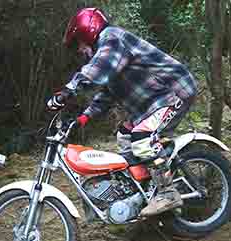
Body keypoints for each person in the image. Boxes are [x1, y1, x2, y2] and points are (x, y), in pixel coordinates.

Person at [46, 7, 198, 216]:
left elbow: (97, 69)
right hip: (154, 101)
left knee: (143, 138)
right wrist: (84, 117)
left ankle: (167, 192)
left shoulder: (112, 39)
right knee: (125, 136)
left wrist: (68, 90)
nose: (80, 50)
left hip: (174, 92)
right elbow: (108, 93)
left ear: (88, 32)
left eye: (79, 43)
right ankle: (145, 189)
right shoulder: (110, 53)